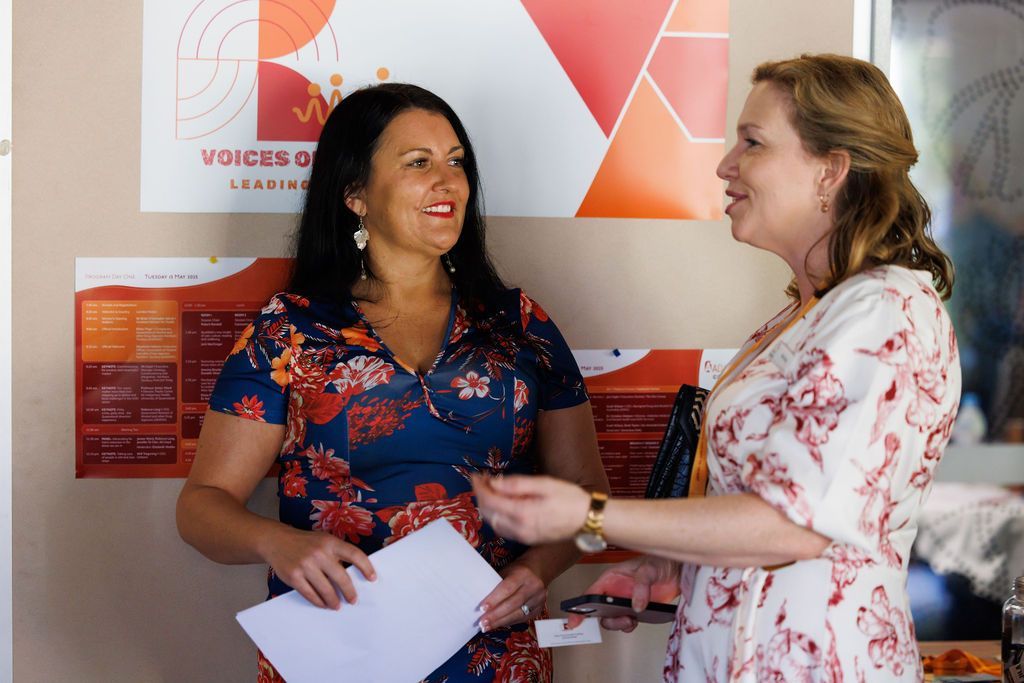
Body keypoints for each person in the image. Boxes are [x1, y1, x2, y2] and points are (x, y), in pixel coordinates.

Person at [473, 54, 961, 681]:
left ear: (831, 170)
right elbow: (762, 508)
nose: (726, 166)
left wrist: (586, 516)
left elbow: (795, 524)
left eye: (752, 143)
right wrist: (674, 566)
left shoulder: (885, 310)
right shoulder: (802, 318)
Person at [176, 83, 609, 682]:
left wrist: (543, 567)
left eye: (457, 162)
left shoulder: (518, 323)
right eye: (418, 163)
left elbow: (589, 496)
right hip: (341, 653)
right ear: (355, 193)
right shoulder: (293, 331)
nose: (448, 181)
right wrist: (277, 544)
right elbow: (200, 509)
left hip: (495, 655)